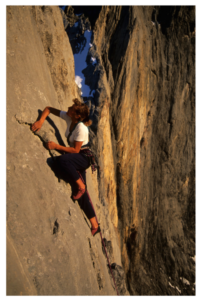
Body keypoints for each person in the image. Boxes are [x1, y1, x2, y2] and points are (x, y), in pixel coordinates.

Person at [31, 98, 100, 237]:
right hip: (77, 156)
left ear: (77, 116)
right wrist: (40, 121)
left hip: (83, 157)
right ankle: (95, 224)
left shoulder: (81, 128)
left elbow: (75, 150)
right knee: (79, 193)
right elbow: (49, 109)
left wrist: (56, 146)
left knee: (62, 162)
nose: (68, 108)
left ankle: (81, 185)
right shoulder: (70, 118)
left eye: (72, 108)